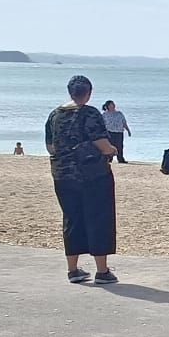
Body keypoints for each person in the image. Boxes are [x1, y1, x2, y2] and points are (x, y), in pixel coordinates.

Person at [43, 75, 120, 283]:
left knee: (72, 218)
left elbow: (50, 146)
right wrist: (113, 149)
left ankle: (73, 269)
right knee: (98, 218)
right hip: (92, 174)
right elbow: (102, 144)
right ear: (89, 93)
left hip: (62, 173)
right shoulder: (90, 114)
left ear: (70, 92)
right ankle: (102, 271)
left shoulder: (55, 115)